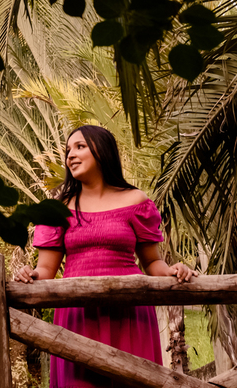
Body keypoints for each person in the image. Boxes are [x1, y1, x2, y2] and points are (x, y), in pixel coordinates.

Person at [14, 124, 195, 386]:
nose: (70, 156)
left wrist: (174, 270)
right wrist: (30, 274)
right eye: (68, 151)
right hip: (77, 314)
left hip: (130, 312)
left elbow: (153, 262)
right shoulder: (57, 209)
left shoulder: (135, 200)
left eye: (80, 147)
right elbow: (45, 270)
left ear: (102, 150)